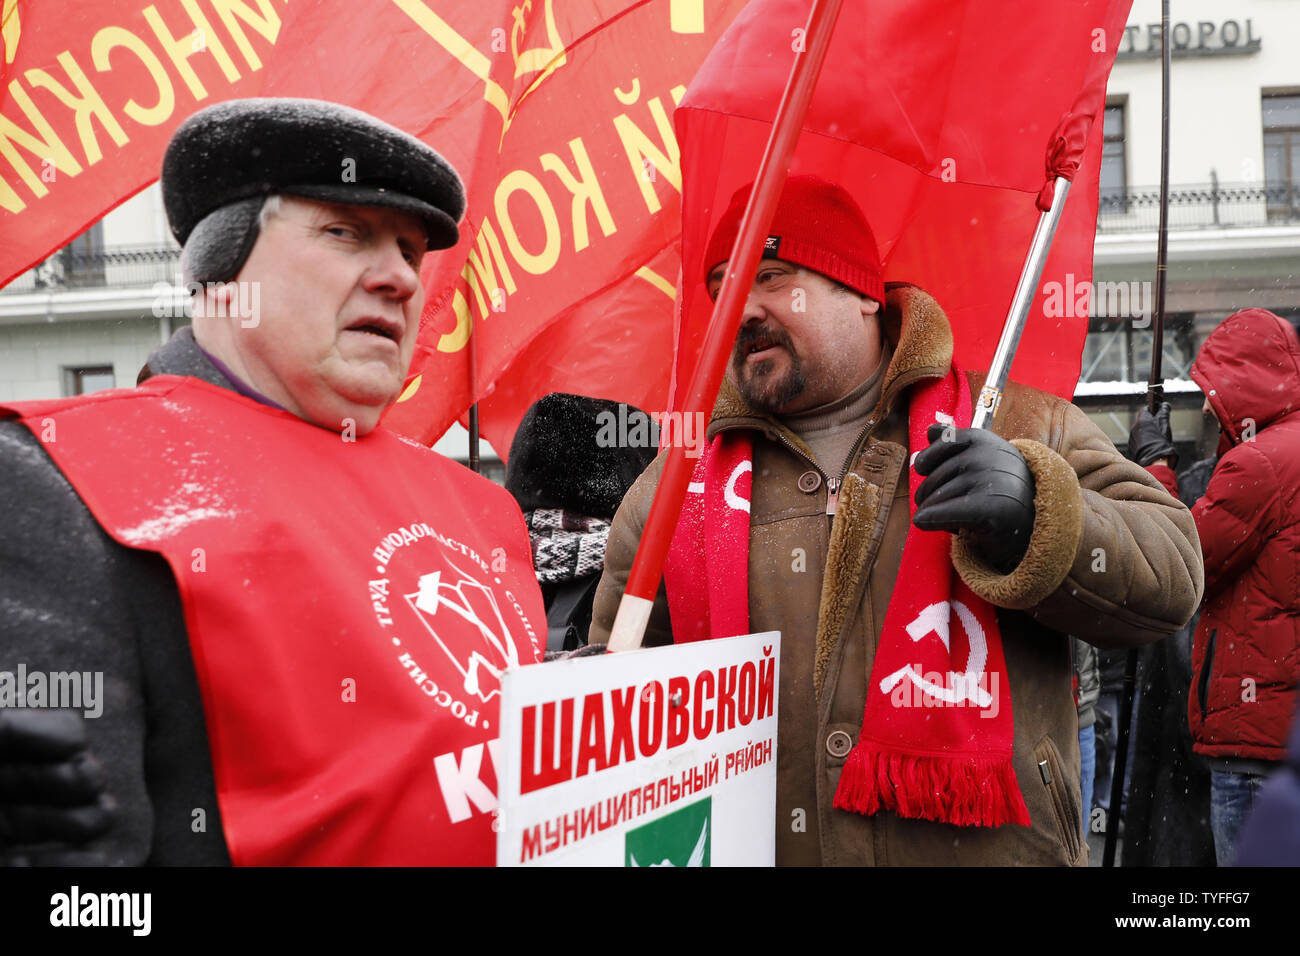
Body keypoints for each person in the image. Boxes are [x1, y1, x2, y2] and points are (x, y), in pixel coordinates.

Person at [589, 176, 1204, 866]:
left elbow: (1173, 577)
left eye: (770, 277)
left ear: (858, 293)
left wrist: (1038, 513)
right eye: (723, 288)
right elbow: (624, 716)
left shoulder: (1021, 421)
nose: (742, 308)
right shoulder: (672, 487)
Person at [0, 98, 547, 865]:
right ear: (222, 269)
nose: (398, 277)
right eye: (344, 233)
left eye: (411, 251)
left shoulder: (483, 509)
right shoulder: (58, 476)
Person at [1128, 307, 1300, 867]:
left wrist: (1154, 467)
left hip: (1254, 743)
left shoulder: (1260, 464)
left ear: (1245, 384)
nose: (1206, 404)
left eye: (1214, 388)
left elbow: (1178, 563)